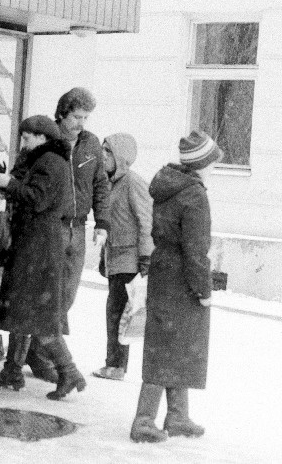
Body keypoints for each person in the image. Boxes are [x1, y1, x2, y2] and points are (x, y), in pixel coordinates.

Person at [0, 115, 86, 400]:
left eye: (28, 136)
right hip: (35, 245)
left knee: (39, 315)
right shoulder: (44, 160)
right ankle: (12, 370)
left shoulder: (50, 162)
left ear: (43, 138)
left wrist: (9, 184)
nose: (23, 141)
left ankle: (69, 373)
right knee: (24, 310)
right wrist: (7, 182)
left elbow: (37, 198)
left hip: (38, 248)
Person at [130, 130, 220, 443]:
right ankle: (143, 421)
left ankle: (177, 416)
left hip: (163, 270)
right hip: (181, 277)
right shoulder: (194, 194)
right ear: (202, 164)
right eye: (212, 162)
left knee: (171, 344)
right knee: (168, 348)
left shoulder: (169, 186)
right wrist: (204, 290)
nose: (213, 168)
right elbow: (196, 250)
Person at [24, 87, 111, 384]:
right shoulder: (47, 139)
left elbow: (100, 184)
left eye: (86, 117)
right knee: (48, 293)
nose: (81, 123)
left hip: (79, 226)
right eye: (76, 116)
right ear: (62, 113)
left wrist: (103, 222)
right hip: (52, 225)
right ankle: (40, 353)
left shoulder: (90, 144)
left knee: (67, 296)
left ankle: (40, 347)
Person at [92, 133, 153, 381]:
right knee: (115, 311)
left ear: (120, 157)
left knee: (118, 312)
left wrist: (146, 257)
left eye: (108, 151)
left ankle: (116, 365)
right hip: (115, 257)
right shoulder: (111, 183)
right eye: (103, 150)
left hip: (130, 259)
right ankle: (115, 364)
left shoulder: (132, 182)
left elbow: (146, 220)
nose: (102, 156)